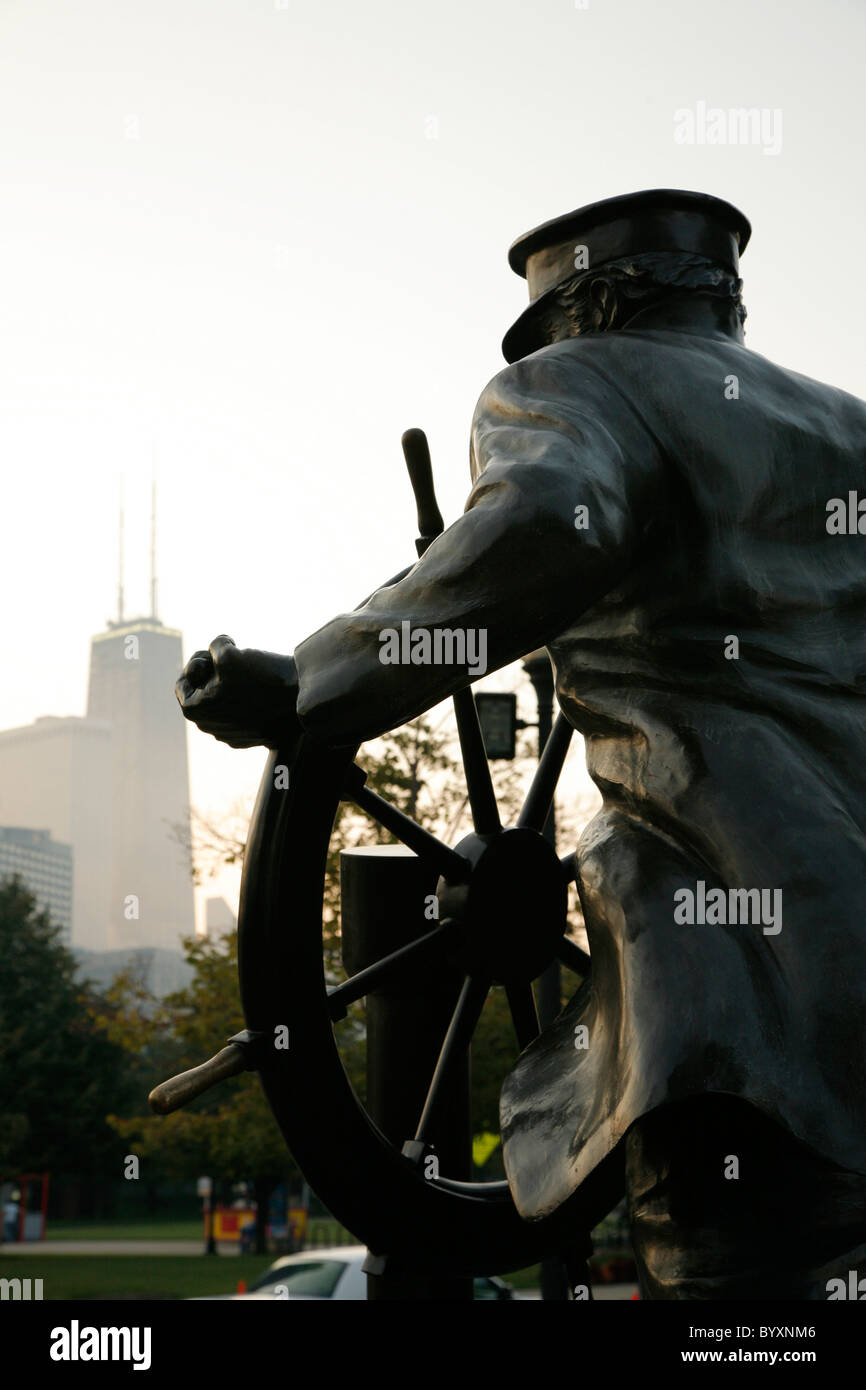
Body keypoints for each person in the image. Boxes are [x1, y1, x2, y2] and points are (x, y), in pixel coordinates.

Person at [176, 189, 866, 1299]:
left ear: (586, 307)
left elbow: (541, 531)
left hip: (737, 997)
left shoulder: (577, 383)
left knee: (738, 1300)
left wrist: (310, 681)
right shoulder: (846, 428)